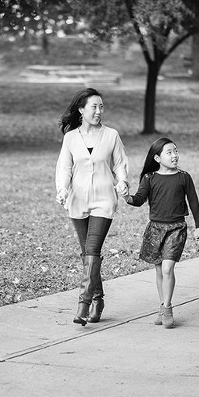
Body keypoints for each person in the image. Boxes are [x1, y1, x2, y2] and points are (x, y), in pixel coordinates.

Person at [55, 88, 129, 326]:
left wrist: (123, 182)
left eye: (101, 107)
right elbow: (64, 168)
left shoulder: (111, 135)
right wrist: (62, 189)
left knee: (92, 251)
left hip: (103, 200)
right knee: (87, 254)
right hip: (77, 201)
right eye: (94, 107)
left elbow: (120, 164)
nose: (99, 111)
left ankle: (84, 305)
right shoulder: (71, 138)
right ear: (81, 110)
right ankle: (98, 299)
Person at [124, 137, 199, 328]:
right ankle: (162, 306)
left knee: (168, 268)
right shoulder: (149, 178)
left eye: (175, 151)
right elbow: (138, 200)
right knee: (160, 270)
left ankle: (168, 308)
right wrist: (126, 196)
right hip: (155, 228)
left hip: (176, 228)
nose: (174, 155)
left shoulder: (184, 177)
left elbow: (193, 202)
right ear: (158, 158)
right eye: (169, 152)